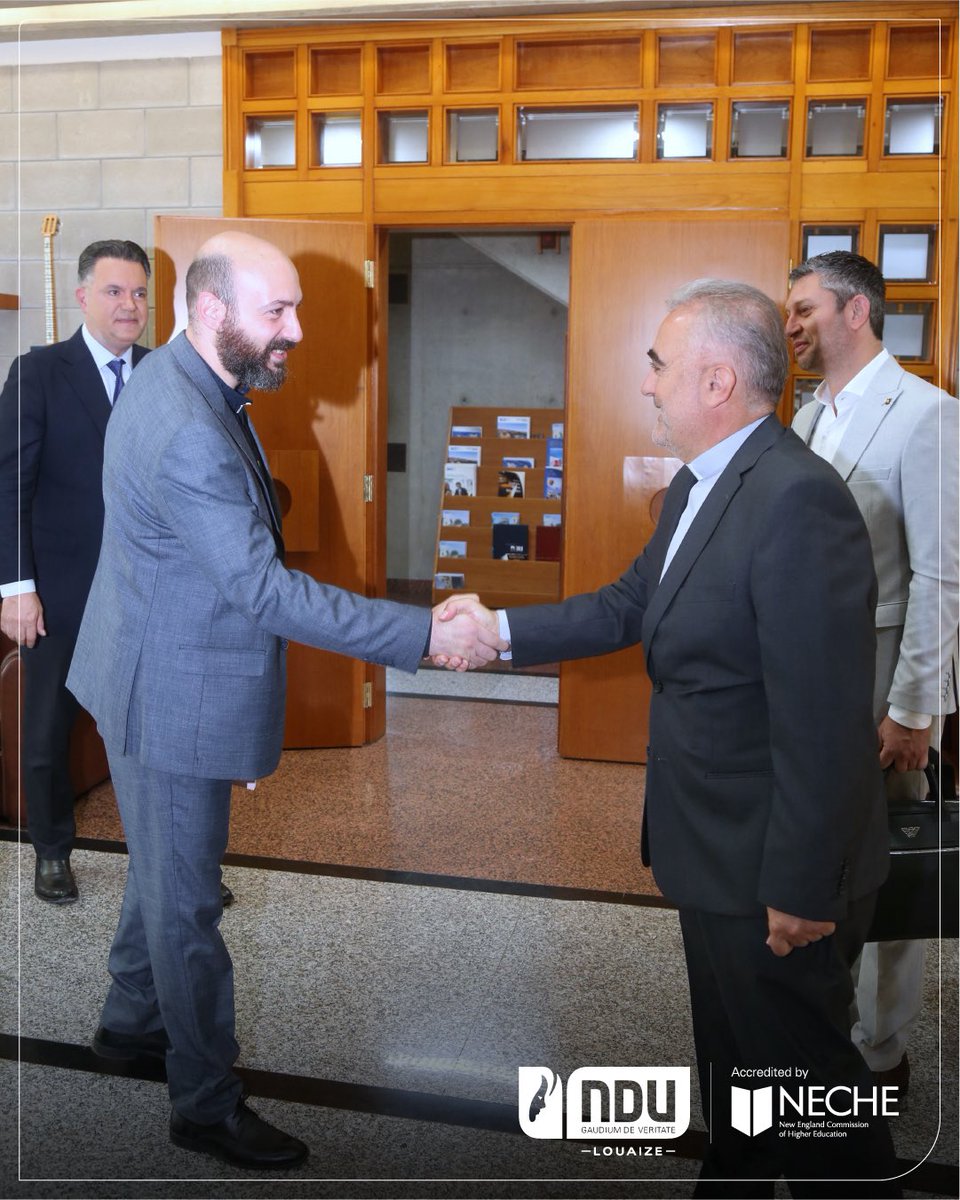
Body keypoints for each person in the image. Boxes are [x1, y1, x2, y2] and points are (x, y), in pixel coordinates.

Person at [438, 279, 900, 1193]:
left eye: (659, 364)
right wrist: (498, 631)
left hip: (773, 869)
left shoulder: (796, 501)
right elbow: (627, 604)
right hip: (710, 852)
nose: (647, 382)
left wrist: (801, 887)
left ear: (717, 380)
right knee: (735, 1074)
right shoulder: (702, 482)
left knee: (813, 1099)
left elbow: (823, 724)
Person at [66, 231, 504, 1170]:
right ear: (211, 309)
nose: (296, 330)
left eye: (294, 308)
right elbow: (262, 590)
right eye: (278, 310)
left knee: (161, 870)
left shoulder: (177, 376)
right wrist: (424, 633)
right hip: (166, 696)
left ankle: (129, 1022)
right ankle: (203, 1103)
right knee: (187, 908)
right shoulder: (186, 423)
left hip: (141, 662)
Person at [786, 250, 959, 1098]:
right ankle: (822, 1015)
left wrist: (915, 710)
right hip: (816, 682)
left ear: (856, 311)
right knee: (824, 853)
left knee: (890, 864)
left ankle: (881, 1050)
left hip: (888, 682)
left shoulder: (927, 417)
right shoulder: (807, 417)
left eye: (805, 309)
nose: (792, 325)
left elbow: (942, 576)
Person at [0, 240, 150, 904]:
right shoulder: (39, 372)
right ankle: (52, 852)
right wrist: (17, 587)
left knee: (154, 731)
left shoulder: (165, 372)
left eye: (139, 292)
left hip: (148, 592)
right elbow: (9, 483)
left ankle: (167, 859)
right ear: (83, 296)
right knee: (46, 729)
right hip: (60, 589)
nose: (129, 305)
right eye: (114, 291)